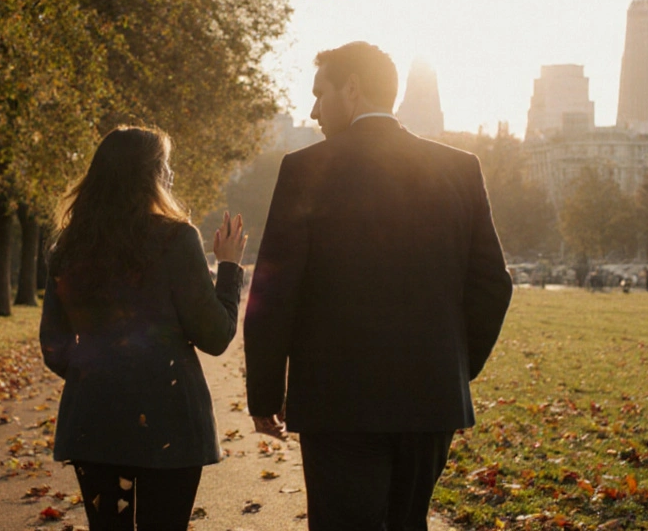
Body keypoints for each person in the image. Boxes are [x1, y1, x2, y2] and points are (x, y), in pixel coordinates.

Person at [244, 42, 512, 531]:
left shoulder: (305, 170)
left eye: (320, 94)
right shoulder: (459, 169)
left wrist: (264, 394)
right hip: (429, 398)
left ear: (351, 89)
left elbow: (273, 293)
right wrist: (452, 366)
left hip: (336, 400)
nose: (313, 110)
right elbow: (494, 285)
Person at [40, 126, 247, 531]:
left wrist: (99, 373)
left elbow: (53, 344)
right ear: (150, 175)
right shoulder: (176, 239)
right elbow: (215, 335)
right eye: (164, 167)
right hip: (170, 421)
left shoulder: (70, 245)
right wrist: (229, 267)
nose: (169, 176)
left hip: (94, 421)